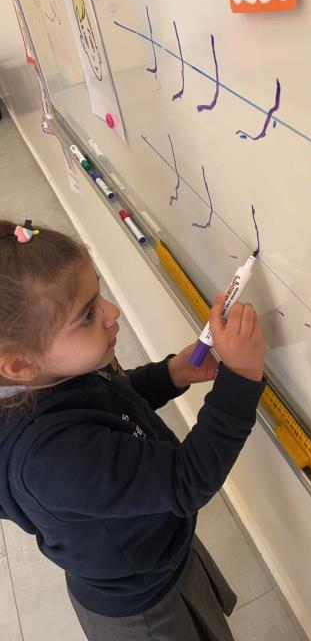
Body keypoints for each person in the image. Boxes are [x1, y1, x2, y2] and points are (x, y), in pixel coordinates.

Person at [0, 219, 267, 641]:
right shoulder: (51, 459)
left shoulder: (48, 376)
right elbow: (187, 479)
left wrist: (170, 374)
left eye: (99, 292)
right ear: (20, 364)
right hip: (143, 610)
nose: (112, 312)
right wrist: (242, 379)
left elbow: (111, 401)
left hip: (154, 552)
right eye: (88, 315)